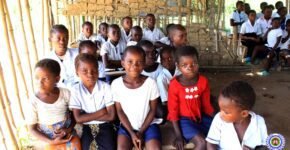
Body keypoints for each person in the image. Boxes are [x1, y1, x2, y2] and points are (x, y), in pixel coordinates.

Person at [112, 46, 162, 150]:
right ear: (123, 63)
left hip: (148, 125)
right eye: (130, 61)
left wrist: (140, 132)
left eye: (139, 62)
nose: (134, 66)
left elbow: (153, 110)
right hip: (127, 127)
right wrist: (131, 133)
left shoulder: (150, 83)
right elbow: (120, 111)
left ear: (144, 64)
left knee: (155, 148)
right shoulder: (116, 84)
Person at [167, 46, 214, 150]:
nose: (190, 67)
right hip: (183, 120)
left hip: (201, 118)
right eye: (184, 65)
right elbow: (173, 111)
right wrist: (178, 135)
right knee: (201, 142)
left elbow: (206, 105)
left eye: (194, 64)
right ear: (178, 66)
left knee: (218, 136)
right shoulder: (174, 85)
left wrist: (215, 121)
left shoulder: (203, 81)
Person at [28, 59, 81, 150]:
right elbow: (32, 129)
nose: (40, 82)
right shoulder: (34, 101)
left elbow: (75, 115)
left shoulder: (65, 93)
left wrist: (68, 130)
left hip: (68, 133)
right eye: (37, 78)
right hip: (47, 138)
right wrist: (51, 141)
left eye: (45, 78)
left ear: (57, 79)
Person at [69, 54, 117, 150]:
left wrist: (86, 117)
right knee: (87, 147)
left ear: (98, 71)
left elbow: (112, 116)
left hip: (106, 125)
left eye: (94, 70)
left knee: (110, 147)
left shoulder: (105, 87)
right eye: (84, 71)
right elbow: (78, 119)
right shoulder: (75, 90)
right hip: (87, 127)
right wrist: (102, 112)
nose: (90, 74)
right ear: (77, 72)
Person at [206, 81, 268, 150]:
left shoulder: (259, 122)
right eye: (220, 109)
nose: (221, 113)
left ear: (244, 114)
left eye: (226, 112)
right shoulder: (219, 119)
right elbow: (211, 143)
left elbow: (264, 146)